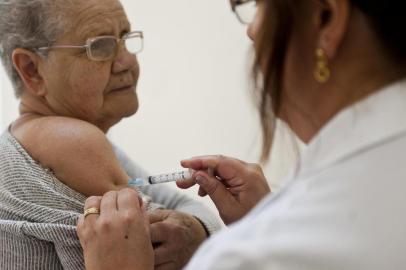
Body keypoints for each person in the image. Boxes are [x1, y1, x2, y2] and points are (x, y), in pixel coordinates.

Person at [77, 0, 406, 269]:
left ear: (324, 17)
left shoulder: (248, 257)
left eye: (258, 5)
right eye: (100, 46)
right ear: (29, 70)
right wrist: (267, 215)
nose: (250, 31)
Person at [0, 0, 221, 269]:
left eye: (125, 38)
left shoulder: (37, 139)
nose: (127, 61)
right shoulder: (71, 142)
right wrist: (201, 231)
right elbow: (203, 251)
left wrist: (198, 229)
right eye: (100, 46)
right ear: (31, 69)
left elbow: (179, 207)